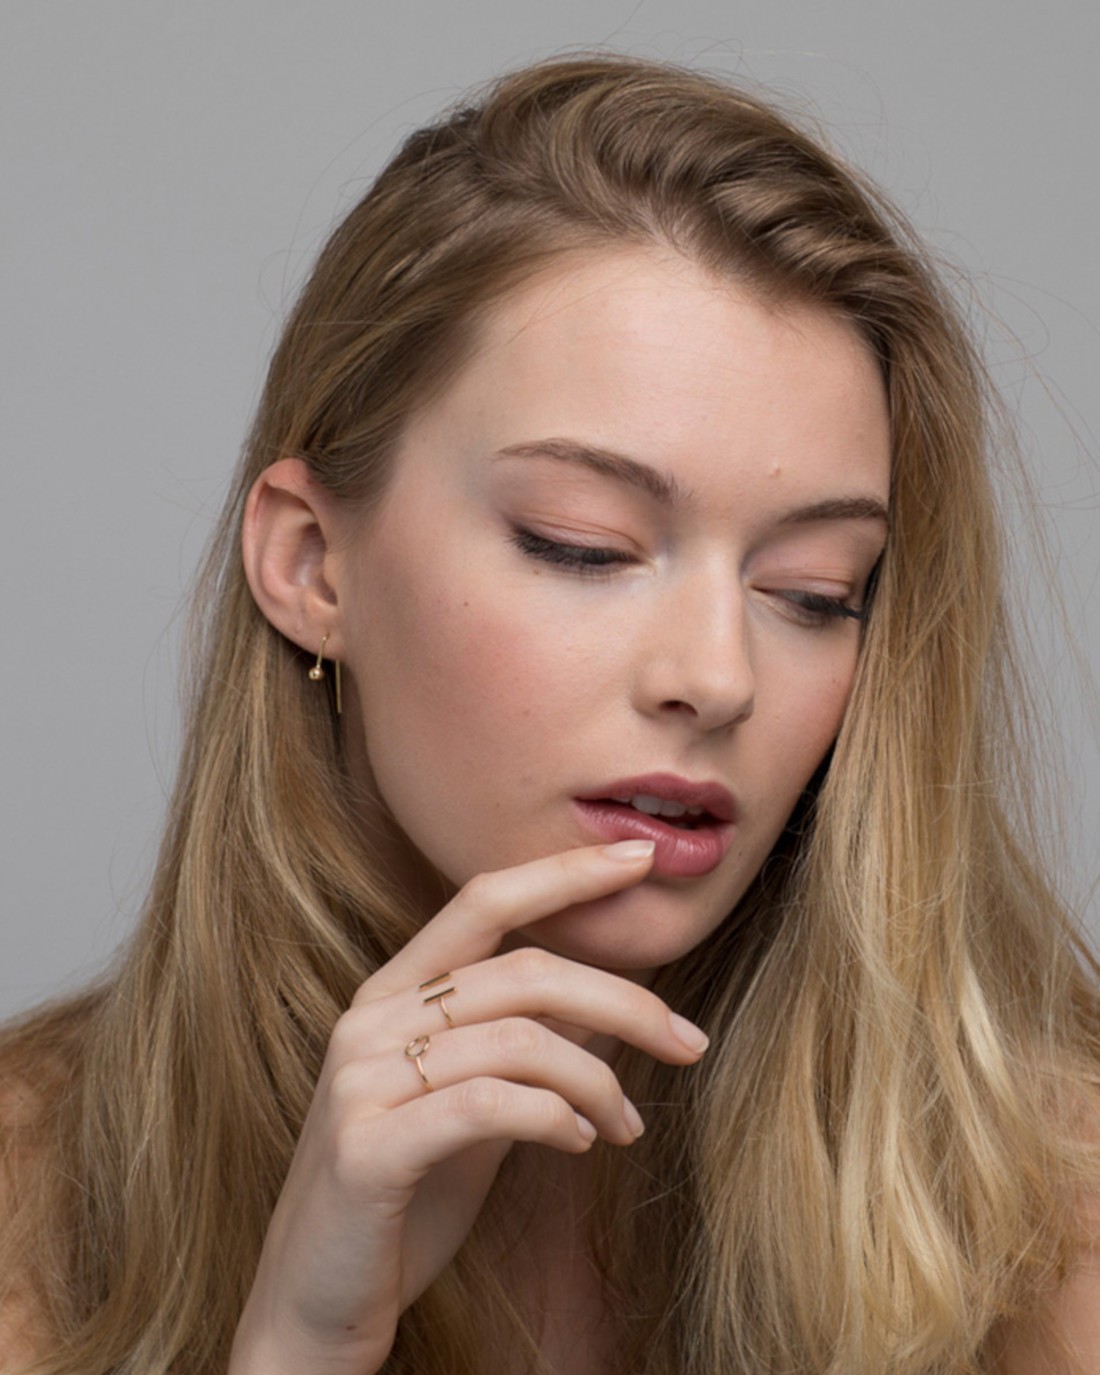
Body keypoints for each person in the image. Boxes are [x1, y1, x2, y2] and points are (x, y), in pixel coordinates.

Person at [2, 51, 1099, 1375]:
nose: (718, 677)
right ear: (312, 566)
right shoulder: (26, 1193)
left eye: (814, 592)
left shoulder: (1060, 1197)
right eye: (582, 545)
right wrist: (299, 1343)